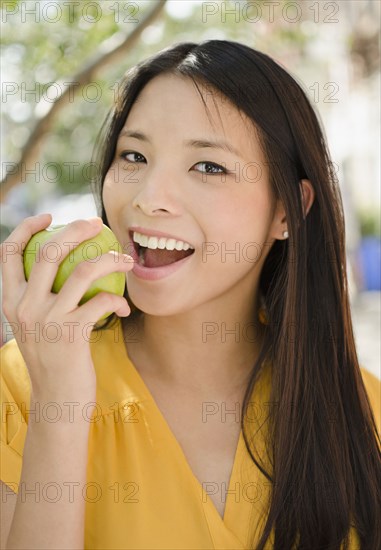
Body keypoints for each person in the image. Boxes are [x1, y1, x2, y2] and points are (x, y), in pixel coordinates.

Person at [0, 40, 380, 550]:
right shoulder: (19, 391)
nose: (149, 197)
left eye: (208, 166)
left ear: (287, 211)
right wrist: (59, 408)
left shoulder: (362, 410)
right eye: (133, 155)